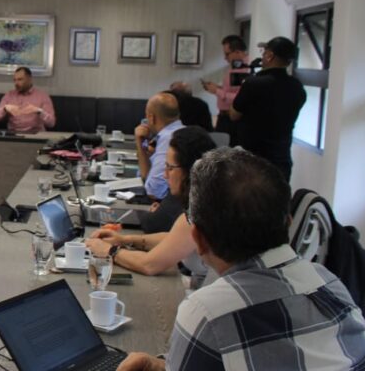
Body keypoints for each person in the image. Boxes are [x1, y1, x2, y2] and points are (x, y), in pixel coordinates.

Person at [113, 149, 365, 371]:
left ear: (198, 240)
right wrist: (171, 367)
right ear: (286, 222)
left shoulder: (207, 312)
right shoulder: (328, 282)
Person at [87, 126, 216, 276]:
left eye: (170, 167)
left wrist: (108, 250)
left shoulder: (199, 213)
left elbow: (149, 265)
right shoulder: (207, 198)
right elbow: (174, 239)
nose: (165, 175)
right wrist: (124, 239)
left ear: (190, 171)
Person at [230, 36, 306, 181]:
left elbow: (234, 114)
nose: (263, 56)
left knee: (251, 201)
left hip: (253, 159)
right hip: (281, 158)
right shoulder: (297, 87)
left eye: (264, 53)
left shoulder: (253, 84)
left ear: (270, 56)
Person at [201, 34, 250, 145]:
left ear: (237, 52)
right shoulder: (236, 67)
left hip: (232, 119)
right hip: (225, 117)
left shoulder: (244, 69)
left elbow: (240, 97)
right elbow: (233, 90)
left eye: (227, 54)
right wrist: (217, 88)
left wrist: (217, 91)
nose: (225, 58)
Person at [135, 92, 183, 200]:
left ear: (151, 118)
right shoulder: (179, 131)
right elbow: (146, 176)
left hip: (168, 206)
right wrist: (141, 144)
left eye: (146, 115)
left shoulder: (168, 138)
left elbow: (154, 191)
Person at [0, 66, 56, 134]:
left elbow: (51, 123)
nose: (16, 83)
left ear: (29, 79)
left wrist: (39, 111)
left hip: (35, 135)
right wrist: (4, 109)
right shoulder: (9, 95)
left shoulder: (42, 96)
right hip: (13, 135)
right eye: (15, 80)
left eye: (20, 79)